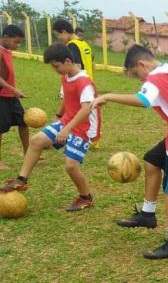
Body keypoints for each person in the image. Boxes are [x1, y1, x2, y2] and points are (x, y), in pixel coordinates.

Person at [90, 45, 168, 260]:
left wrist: (108, 96)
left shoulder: (154, 80)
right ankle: (148, 214)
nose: (140, 81)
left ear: (142, 64)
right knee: (151, 161)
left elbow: (144, 100)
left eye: (137, 75)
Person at [0, 43, 99, 212]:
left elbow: (86, 109)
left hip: (83, 128)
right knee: (37, 140)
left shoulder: (84, 82)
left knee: (70, 166)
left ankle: (86, 197)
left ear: (68, 61)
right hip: (66, 121)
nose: (55, 70)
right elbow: (67, 99)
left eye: (56, 66)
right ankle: (21, 180)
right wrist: (59, 118)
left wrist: (66, 129)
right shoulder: (66, 76)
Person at [53, 19, 102, 148]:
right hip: (87, 81)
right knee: (88, 112)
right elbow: (91, 61)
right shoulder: (84, 44)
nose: (59, 38)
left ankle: (79, 137)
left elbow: (76, 65)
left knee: (78, 110)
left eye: (58, 34)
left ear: (64, 32)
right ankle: (90, 139)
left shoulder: (72, 45)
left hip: (79, 83)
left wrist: (71, 81)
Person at [0, 25, 29, 170]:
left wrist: (13, 91)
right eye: (16, 42)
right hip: (2, 96)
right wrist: (13, 89)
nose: (17, 45)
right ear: (6, 38)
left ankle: (28, 153)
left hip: (11, 96)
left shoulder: (7, 51)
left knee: (23, 122)